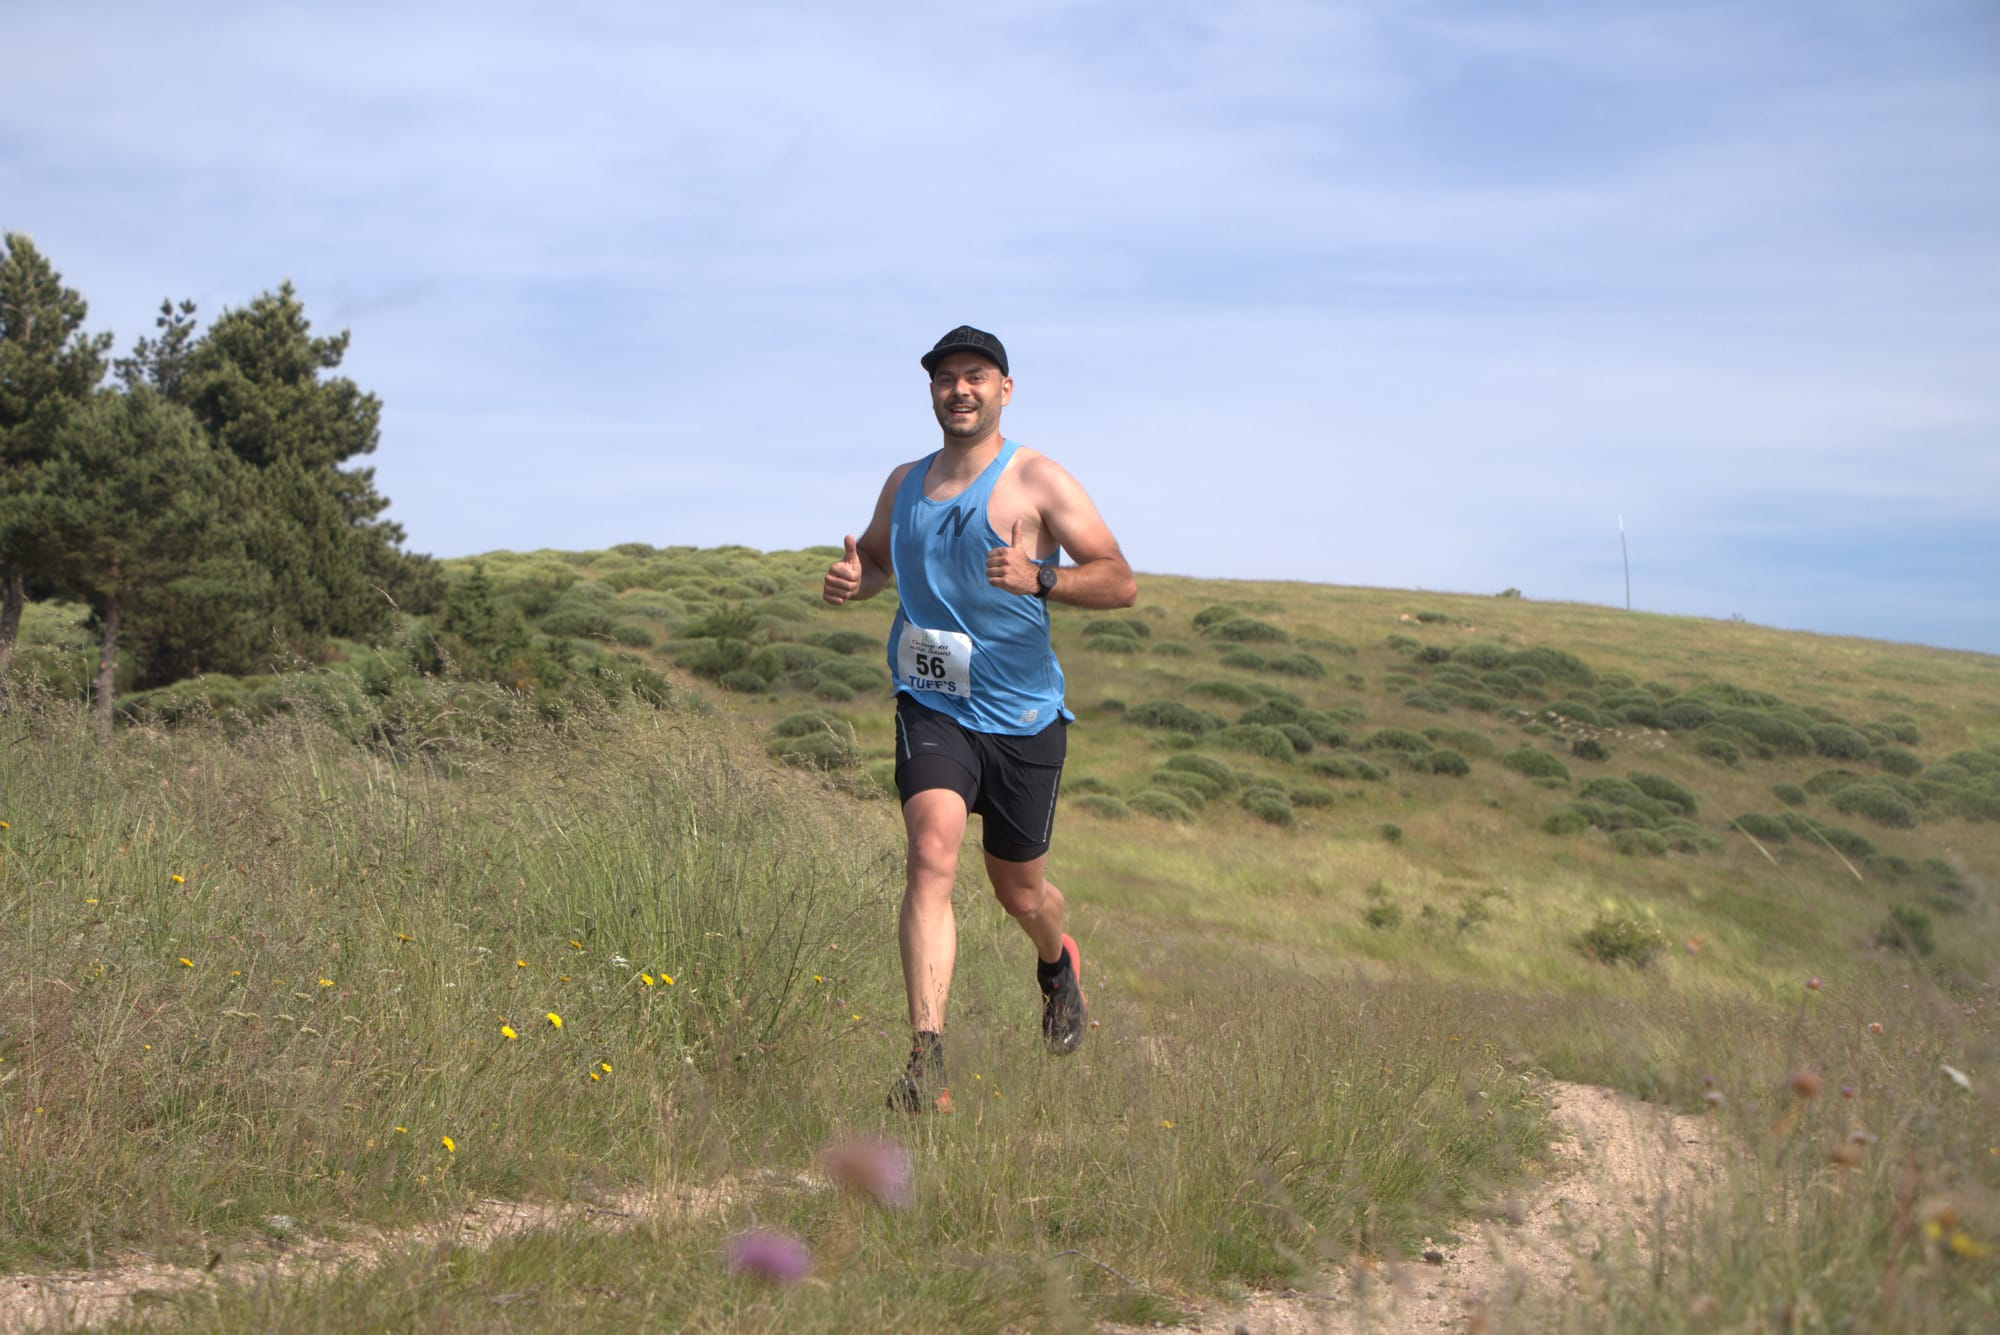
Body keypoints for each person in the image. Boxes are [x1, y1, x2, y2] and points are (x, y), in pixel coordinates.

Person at [822, 325, 1138, 1113]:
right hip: (933, 702)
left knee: (1019, 890)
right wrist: (852, 582)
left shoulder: (1037, 478)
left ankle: (1057, 960)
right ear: (931, 391)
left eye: (976, 376)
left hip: (1024, 715)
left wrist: (1042, 580)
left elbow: (1119, 581)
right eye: (945, 378)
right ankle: (926, 1059)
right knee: (931, 856)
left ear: (1004, 389)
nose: (959, 388)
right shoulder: (903, 485)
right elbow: (875, 564)